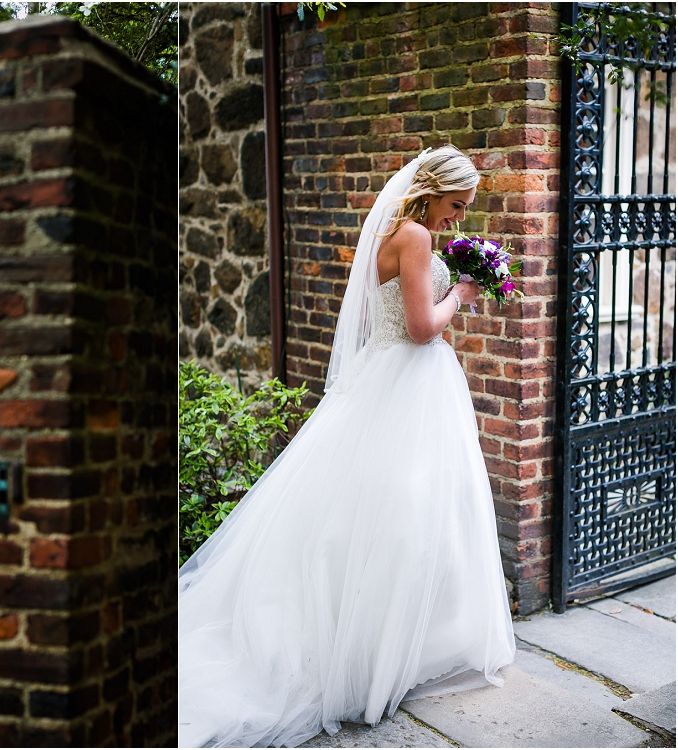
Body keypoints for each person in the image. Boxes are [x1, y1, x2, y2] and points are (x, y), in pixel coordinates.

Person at [178, 146, 516, 748]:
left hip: (384, 379)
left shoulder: (391, 230)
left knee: (390, 515)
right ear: (432, 191)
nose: (457, 220)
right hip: (408, 380)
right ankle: (377, 658)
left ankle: (400, 646)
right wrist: (461, 296)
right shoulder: (414, 237)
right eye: (456, 206)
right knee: (409, 516)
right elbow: (418, 328)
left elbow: (383, 315)